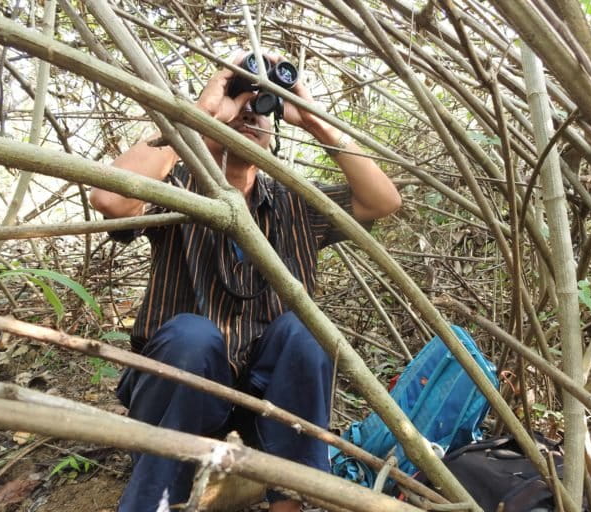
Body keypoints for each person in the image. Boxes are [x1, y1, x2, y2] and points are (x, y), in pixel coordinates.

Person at [90, 51, 401, 512]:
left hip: (267, 407)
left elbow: (383, 201)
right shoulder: (176, 188)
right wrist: (199, 116)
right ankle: (156, 498)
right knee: (192, 335)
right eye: (240, 109)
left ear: (273, 134)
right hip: (181, 395)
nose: (249, 118)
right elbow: (109, 198)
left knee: (306, 329)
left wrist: (315, 122)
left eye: (261, 111)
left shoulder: (296, 204)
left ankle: (290, 498)